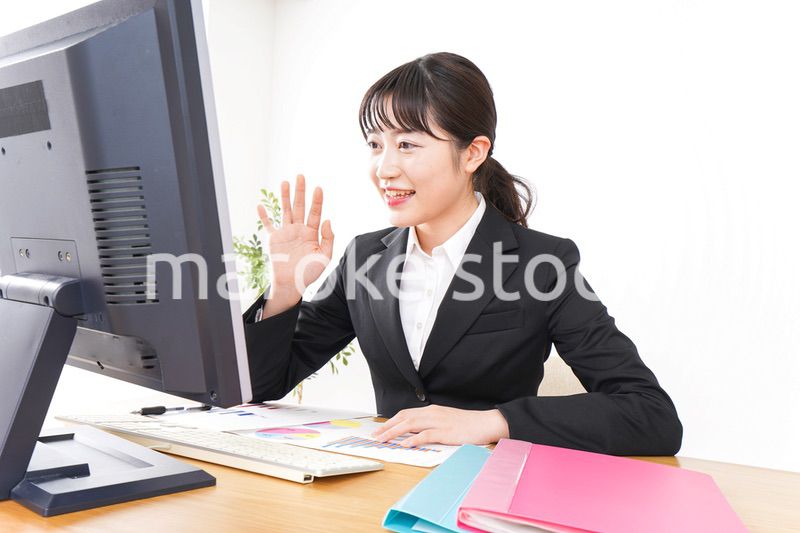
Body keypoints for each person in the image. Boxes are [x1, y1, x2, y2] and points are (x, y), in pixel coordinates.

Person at [242, 52, 682, 456]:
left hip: (488, 489)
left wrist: (492, 422)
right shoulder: (365, 258)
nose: (384, 168)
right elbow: (260, 386)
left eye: (408, 144)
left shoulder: (542, 264)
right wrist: (285, 288)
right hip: (380, 487)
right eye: (376, 145)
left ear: (473, 153)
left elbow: (650, 415)